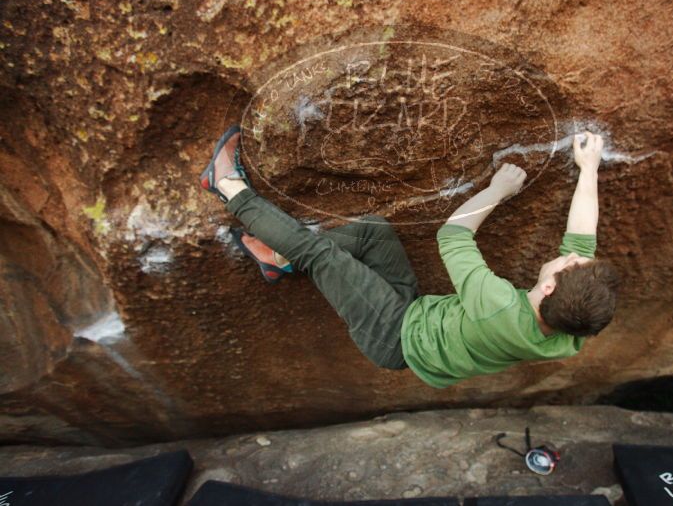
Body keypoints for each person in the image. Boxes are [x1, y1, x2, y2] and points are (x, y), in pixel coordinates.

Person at [200, 126, 619, 388]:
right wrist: (588, 169)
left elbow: (453, 234)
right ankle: (279, 258)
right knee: (372, 231)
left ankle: (227, 186)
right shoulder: (571, 332)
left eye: (568, 265)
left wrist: (498, 190)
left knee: (320, 254)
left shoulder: (497, 305)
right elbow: (581, 241)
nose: (570, 256)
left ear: (548, 287)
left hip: (394, 335)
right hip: (417, 316)